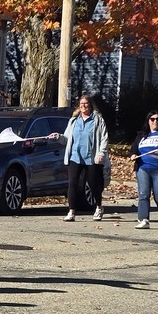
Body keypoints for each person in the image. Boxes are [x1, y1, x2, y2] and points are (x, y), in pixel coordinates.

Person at [60, 94, 109, 222]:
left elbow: (104, 138)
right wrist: (57, 137)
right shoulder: (74, 121)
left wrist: (101, 154)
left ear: (90, 105)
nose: (83, 106)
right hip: (75, 157)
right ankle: (71, 211)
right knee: (72, 184)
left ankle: (98, 207)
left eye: (86, 104)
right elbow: (66, 138)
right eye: (81, 104)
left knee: (93, 185)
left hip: (91, 158)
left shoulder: (97, 120)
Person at [129, 110, 158, 229]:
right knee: (143, 194)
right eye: (152, 119)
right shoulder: (142, 136)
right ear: (148, 121)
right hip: (143, 168)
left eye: (157, 119)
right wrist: (133, 155)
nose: (155, 122)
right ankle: (144, 219)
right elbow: (133, 150)